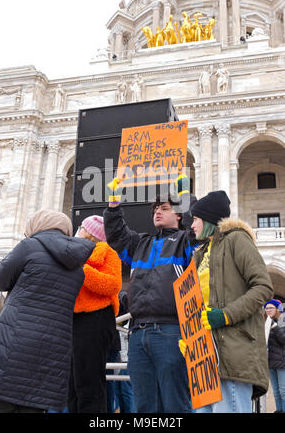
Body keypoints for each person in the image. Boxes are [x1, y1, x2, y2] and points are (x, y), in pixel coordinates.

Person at [103, 175, 198, 413]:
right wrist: (114, 204)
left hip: (171, 331)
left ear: (179, 215)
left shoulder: (186, 242)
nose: (157, 212)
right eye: (155, 208)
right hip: (137, 333)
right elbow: (116, 235)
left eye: (164, 208)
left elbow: (200, 231)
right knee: (144, 405)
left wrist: (184, 197)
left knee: (175, 402)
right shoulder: (140, 244)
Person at [0, 209, 96, 413]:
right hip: (53, 350)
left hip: (14, 341)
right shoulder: (78, 267)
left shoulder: (30, 246)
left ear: (37, 225)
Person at [182, 190, 274, 413]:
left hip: (233, 351)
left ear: (209, 219)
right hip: (203, 357)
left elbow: (263, 287)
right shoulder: (200, 253)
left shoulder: (237, 239)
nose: (192, 226)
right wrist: (189, 335)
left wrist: (225, 315)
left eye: (195, 219)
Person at [68, 215, 122, 413]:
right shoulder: (71, 254)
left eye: (81, 227)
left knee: (89, 383)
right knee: (72, 385)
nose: (78, 229)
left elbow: (112, 285)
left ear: (90, 233)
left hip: (96, 319)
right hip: (75, 320)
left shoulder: (108, 253)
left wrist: (81, 270)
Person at [264, 299, 285, 413]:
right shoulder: (266, 322)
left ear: (278, 309)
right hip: (270, 362)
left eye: (271, 308)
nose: (268, 310)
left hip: (282, 362)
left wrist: (275, 327)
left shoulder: (283, 320)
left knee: (283, 391)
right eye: (266, 308)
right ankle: (279, 410)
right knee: (276, 392)